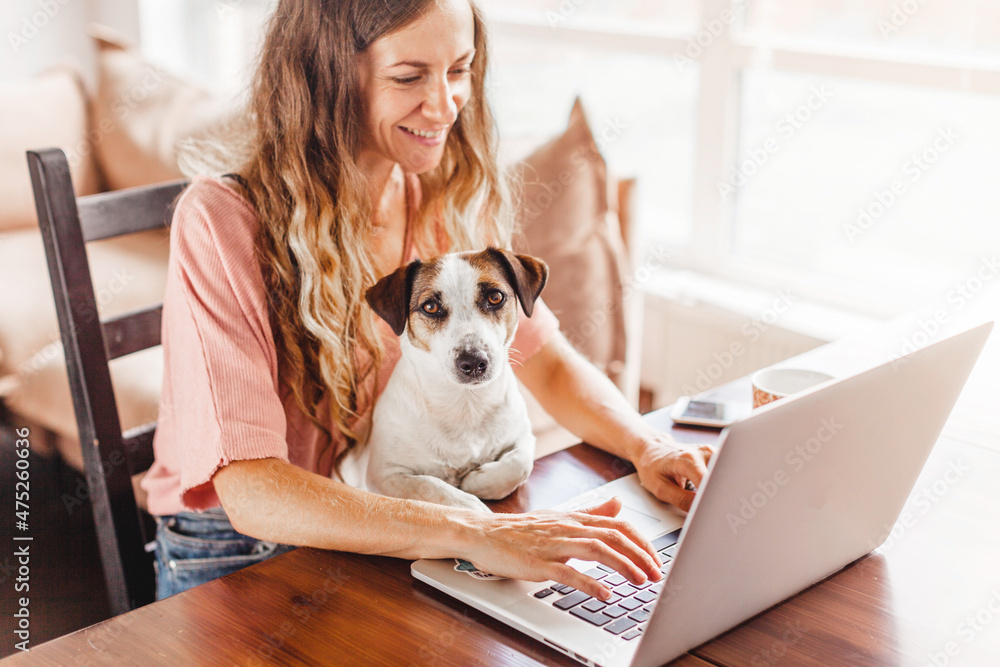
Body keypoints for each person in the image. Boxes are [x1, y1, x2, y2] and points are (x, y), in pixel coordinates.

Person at [141, 0, 714, 602]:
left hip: (378, 522)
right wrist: (477, 531)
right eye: (409, 76)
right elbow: (251, 490)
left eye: (459, 70)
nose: (445, 106)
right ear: (328, 76)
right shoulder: (221, 222)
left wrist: (647, 446)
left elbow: (543, 358)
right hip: (241, 552)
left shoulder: (438, 199)